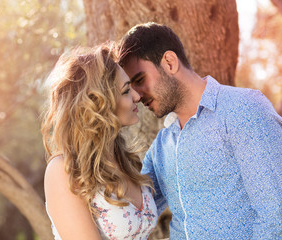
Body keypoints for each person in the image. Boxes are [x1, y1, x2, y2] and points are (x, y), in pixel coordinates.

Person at [118, 22, 282, 239]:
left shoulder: (243, 109)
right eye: (131, 87)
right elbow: (133, 213)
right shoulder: (162, 145)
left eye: (139, 80)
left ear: (169, 62)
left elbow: (275, 216)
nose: (137, 96)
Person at [41, 44, 158, 240]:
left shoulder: (125, 162)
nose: (137, 96)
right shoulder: (64, 171)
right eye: (126, 90)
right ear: (99, 102)